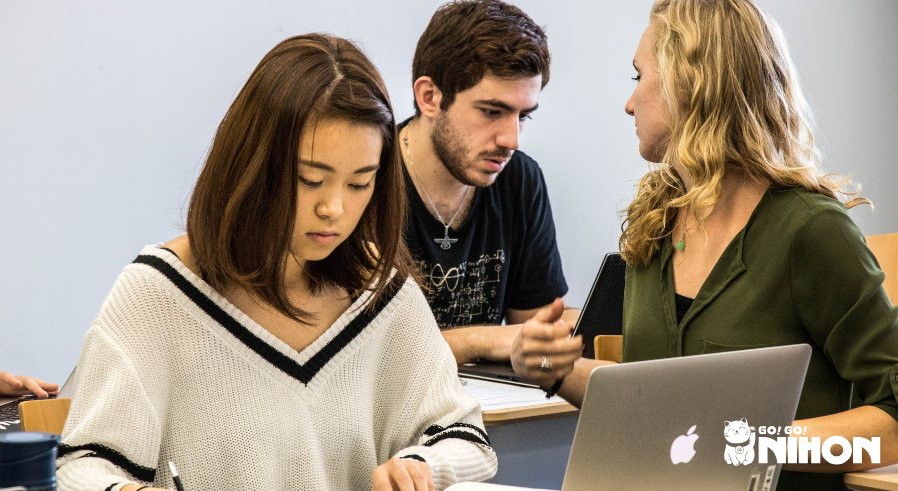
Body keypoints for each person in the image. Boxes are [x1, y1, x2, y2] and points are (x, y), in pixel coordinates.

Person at [55, 34, 497, 491]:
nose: (334, 209)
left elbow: (466, 439)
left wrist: (423, 465)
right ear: (252, 168)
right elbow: (79, 466)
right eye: (310, 180)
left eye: (359, 183)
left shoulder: (381, 296)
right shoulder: (159, 294)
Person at [511, 0, 898, 488]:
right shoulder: (654, 223)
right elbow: (652, 403)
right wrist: (552, 369)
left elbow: (893, 422)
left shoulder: (810, 231)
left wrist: (746, 444)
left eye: (638, 78)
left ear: (689, 84)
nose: (629, 103)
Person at [400, 0, 580, 367]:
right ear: (429, 97)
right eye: (491, 112)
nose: (511, 140)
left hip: (490, 415)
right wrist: (483, 338)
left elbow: (531, 326)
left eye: (523, 116)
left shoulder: (520, 178)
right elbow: (356, 351)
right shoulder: (363, 178)